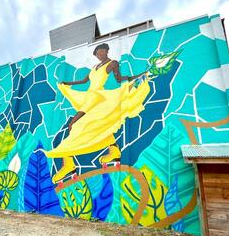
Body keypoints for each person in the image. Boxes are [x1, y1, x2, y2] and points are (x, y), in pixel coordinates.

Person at [44, 43, 151, 184]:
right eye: (97, 53)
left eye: (101, 51)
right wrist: (67, 83)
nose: (99, 54)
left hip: (98, 97)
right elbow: (84, 80)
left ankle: (68, 164)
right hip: (90, 96)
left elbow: (119, 79)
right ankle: (114, 151)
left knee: (75, 126)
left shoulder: (113, 63)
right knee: (99, 124)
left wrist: (139, 76)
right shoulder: (94, 67)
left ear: (106, 50)